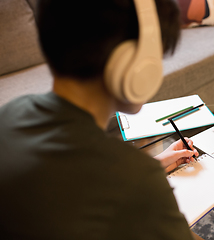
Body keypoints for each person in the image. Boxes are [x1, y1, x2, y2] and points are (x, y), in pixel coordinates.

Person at [0, 0, 199, 239]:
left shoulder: (10, 113)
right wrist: (141, 177)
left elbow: (62, 187)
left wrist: (151, 166)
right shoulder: (137, 182)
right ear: (132, 62)